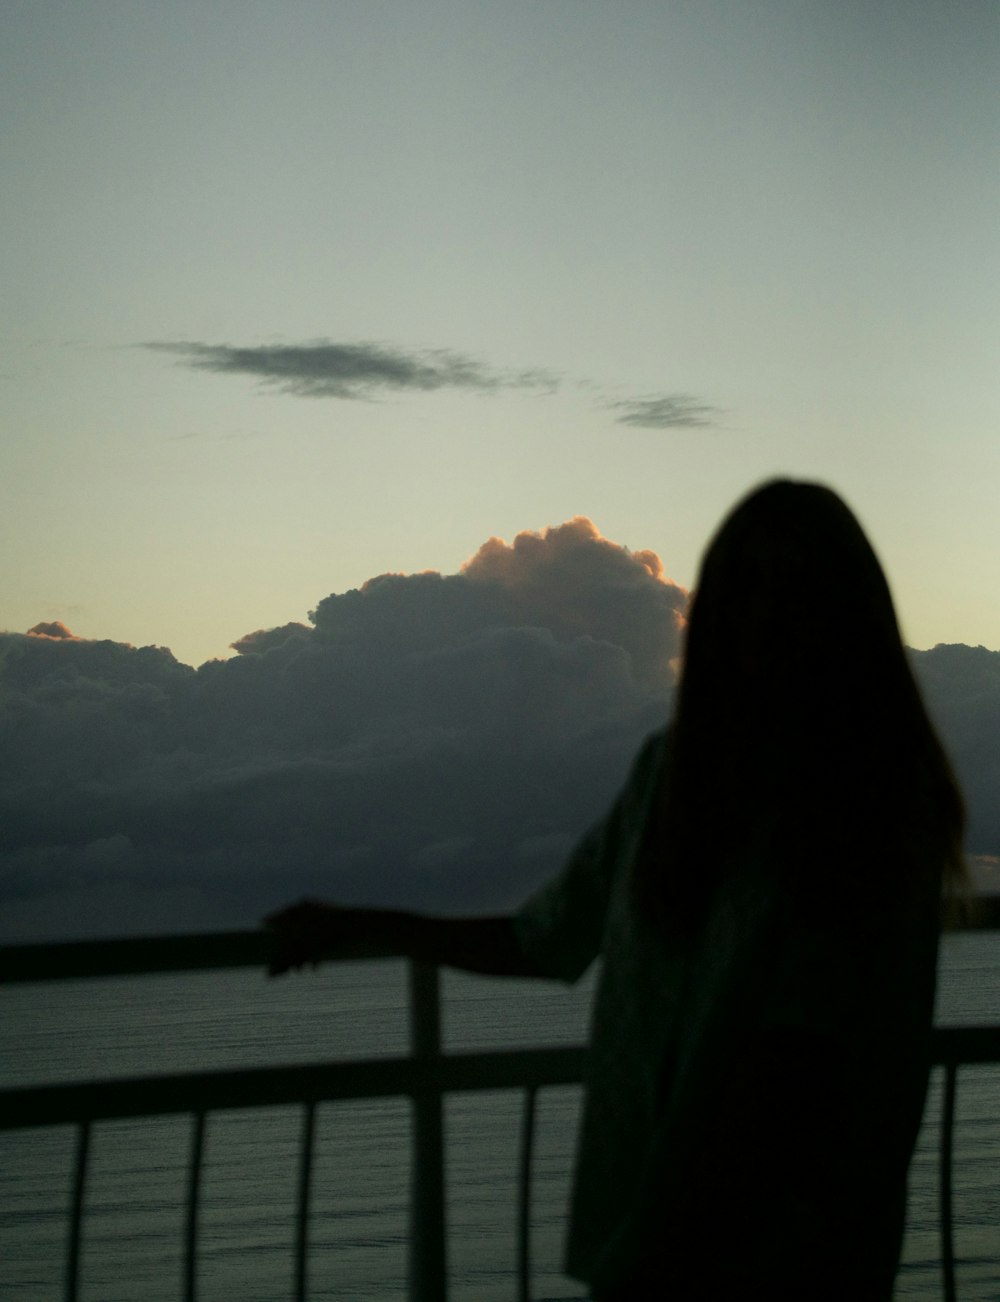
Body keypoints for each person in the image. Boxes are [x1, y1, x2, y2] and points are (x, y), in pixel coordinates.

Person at [266, 480, 966, 1301]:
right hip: (658, 1248)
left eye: (794, 597)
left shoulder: (870, 802)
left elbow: (792, 1074)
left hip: (777, 1259)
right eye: (746, 592)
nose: (767, 621)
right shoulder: (668, 781)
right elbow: (546, 936)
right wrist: (360, 924)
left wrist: (655, 1248)